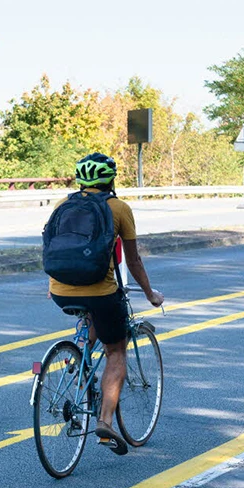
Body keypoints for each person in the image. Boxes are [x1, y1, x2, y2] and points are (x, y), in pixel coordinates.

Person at [47, 152, 164, 454]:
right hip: (100, 291)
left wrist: (53, 287)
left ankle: (78, 358)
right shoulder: (119, 208)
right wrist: (150, 294)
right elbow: (134, 260)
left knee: (92, 321)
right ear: (110, 180)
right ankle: (105, 422)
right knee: (116, 350)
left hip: (61, 289)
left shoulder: (63, 205)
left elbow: (53, 248)